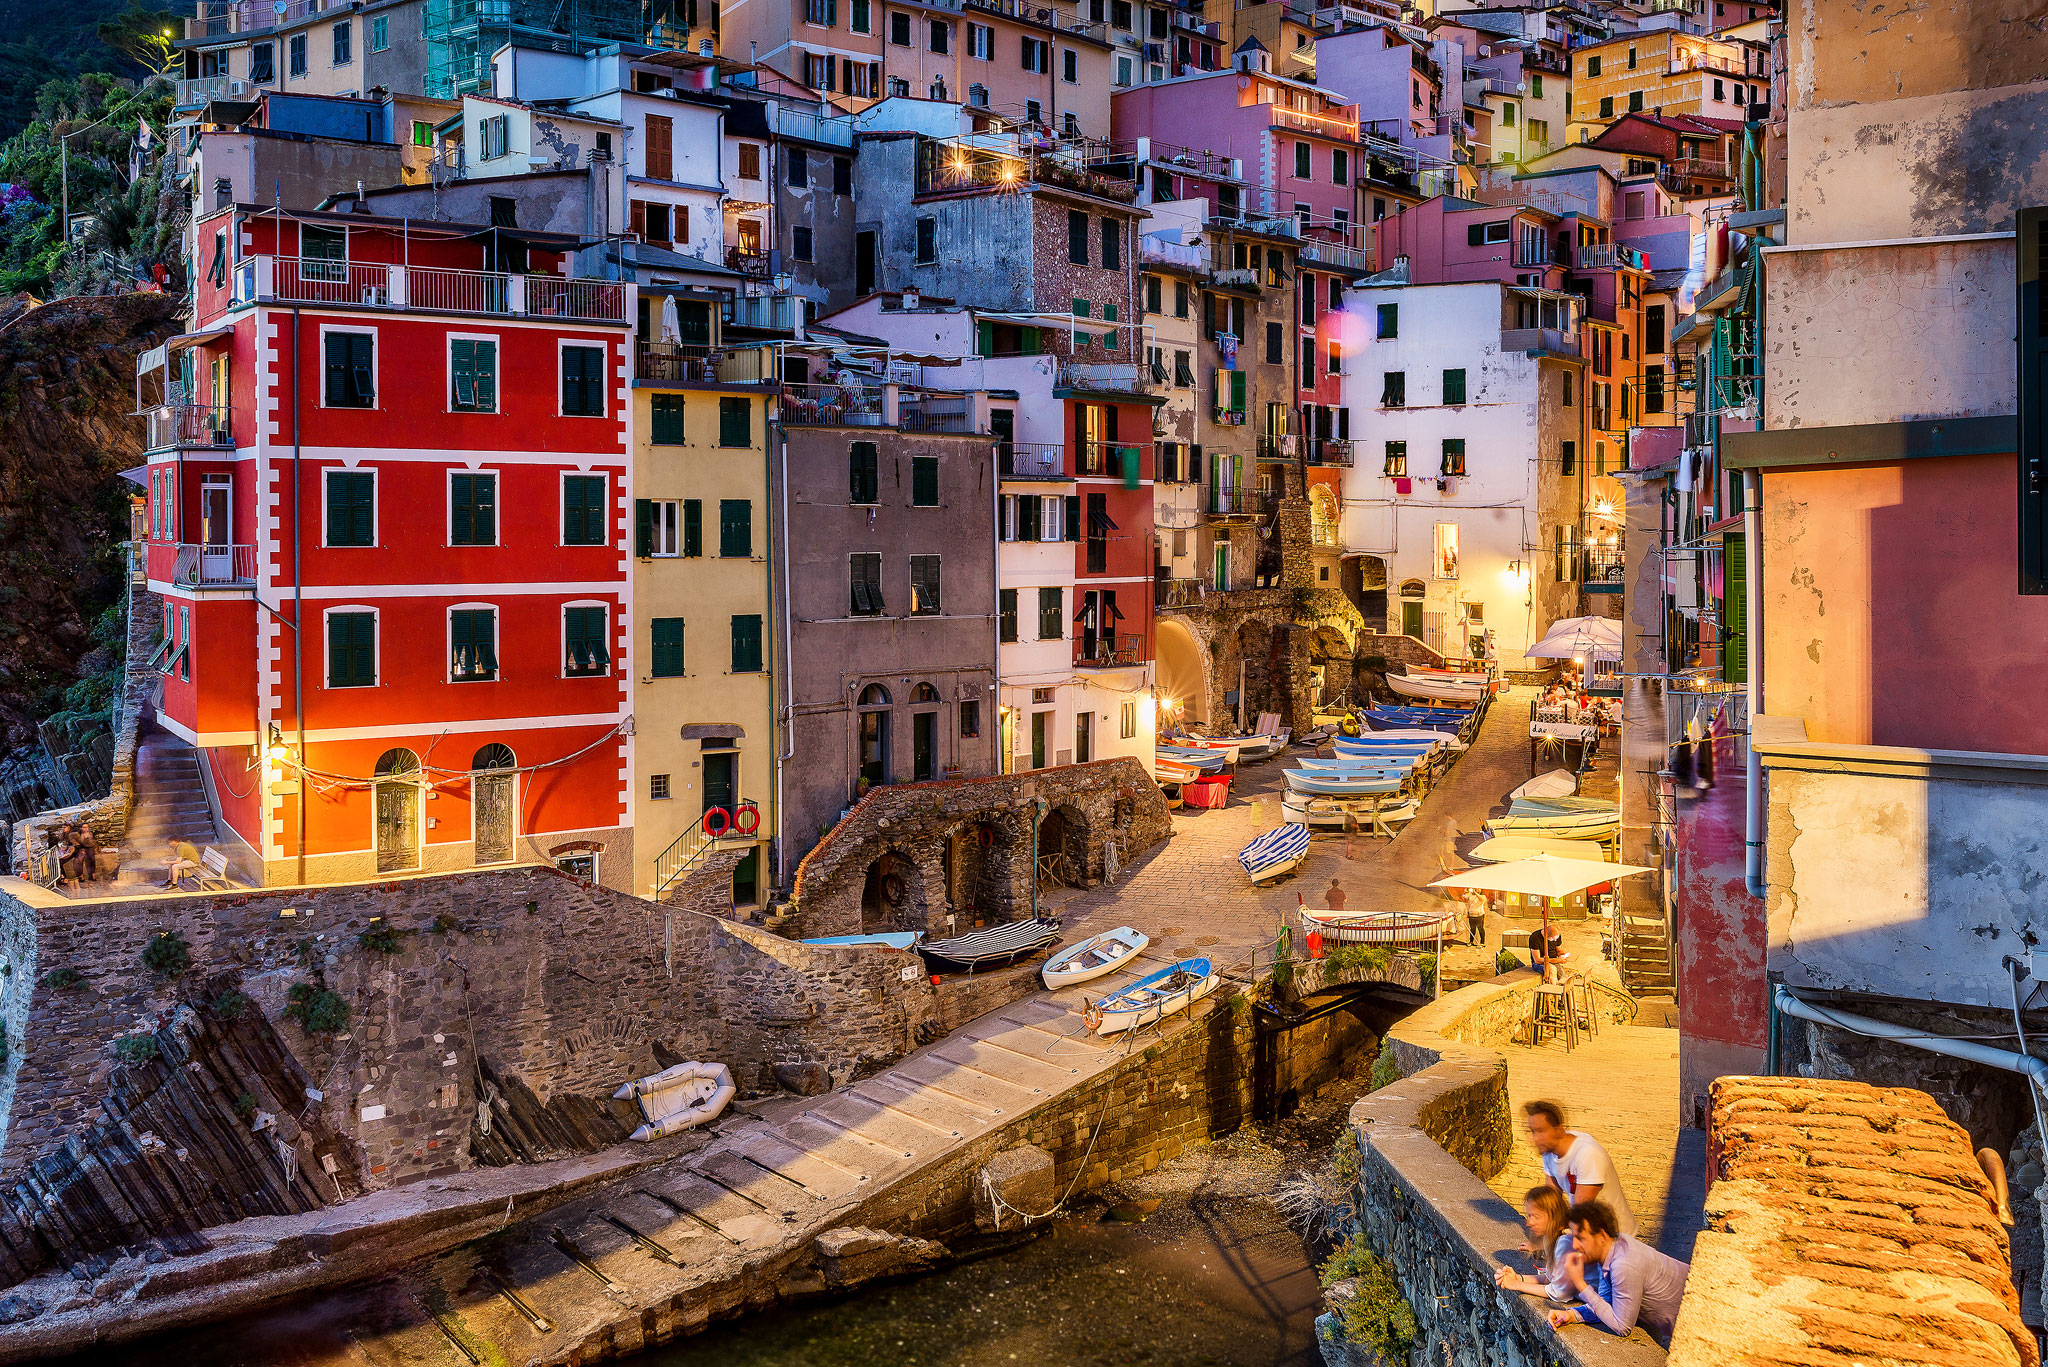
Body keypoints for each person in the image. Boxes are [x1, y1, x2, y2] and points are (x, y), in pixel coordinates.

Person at [1546, 1201, 1689, 1343]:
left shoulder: (1623, 1265)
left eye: (1580, 1238)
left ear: (1601, 1236)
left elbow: (1622, 1326)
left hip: (1697, 1315)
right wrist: (1571, 1315)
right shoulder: (1611, 1248)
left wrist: (1580, 1284)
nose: (1575, 1245)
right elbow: (1607, 1303)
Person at [1523, 1100, 1637, 1237]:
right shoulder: (1549, 1149)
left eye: (1540, 1131)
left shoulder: (1587, 1154)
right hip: (1586, 1233)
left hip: (1613, 1237)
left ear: (1559, 1130)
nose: (1534, 1139)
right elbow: (1551, 1202)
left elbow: (1580, 1210)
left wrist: (1548, 1243)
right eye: (1532, 1131)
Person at [1495, 1185, 1575, 1302]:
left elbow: (1559, 1292)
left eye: (1535, 1217)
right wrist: (1517, 1278)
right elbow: (1549, 1279)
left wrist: (1516, 1285)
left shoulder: (1566, 1241)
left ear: (1554, 1217)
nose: (1529, 1223)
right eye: (1528, 1216)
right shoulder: (1550, 1238)